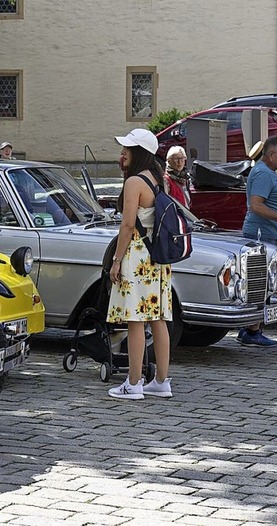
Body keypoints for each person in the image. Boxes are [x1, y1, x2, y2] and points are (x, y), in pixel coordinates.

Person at [107, 128, 173, 400]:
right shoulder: (159, 179)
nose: (123, 153)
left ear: (139, 153)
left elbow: (127, 225)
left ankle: (133, 383)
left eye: (127, 149)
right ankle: (161, 381)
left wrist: (116, 260)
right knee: (157, 319)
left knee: (135, 320)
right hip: (157, 257)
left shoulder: (134, 182)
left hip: (137, 257)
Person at [236, 136, 277, 348]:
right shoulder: (263, 174)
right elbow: (256, 206)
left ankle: (250, 328)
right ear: (271, 155)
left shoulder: (268, 173)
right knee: (259, 284)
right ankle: (252, 331)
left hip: (268, 234)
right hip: (260, 235)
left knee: (262, 284)